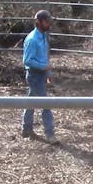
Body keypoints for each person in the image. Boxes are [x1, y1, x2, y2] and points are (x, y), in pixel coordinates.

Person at [21, 10, 59, 144]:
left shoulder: (43, 37)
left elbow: (43, 57)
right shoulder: (32, 39)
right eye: (47, 21)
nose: (49, 23)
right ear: (40, 22)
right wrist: (43, 68)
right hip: (34, 74)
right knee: (45, 105)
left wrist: (46, 73)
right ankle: (49, 134)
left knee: (31, 101)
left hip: (40, 74)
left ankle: (26, 128)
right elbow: (27, 60)